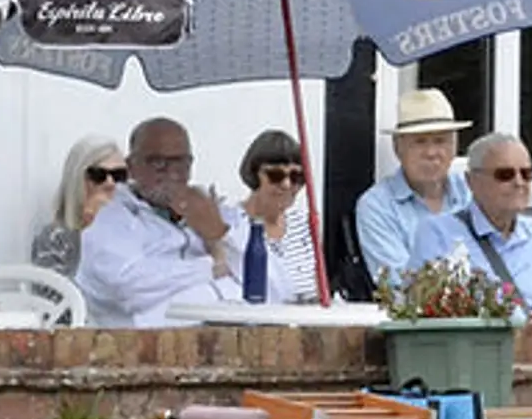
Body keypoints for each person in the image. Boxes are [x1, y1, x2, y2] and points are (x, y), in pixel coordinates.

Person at [76, 117, 254, 327]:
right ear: (132, 166)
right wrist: (212, 266)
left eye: (181, 163)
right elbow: (131, 288)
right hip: (137, 344)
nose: (171, 173)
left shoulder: (207, 208)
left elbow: (270, 283)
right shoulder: (111, 217)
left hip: (221, 332)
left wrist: (219, 234)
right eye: (158, 163)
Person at [407, 133, 532, 324]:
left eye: (527, 174)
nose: (519, 182)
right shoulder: (436, 233)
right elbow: (420, 311)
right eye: (505, 175)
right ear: (472, 181)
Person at [353, 89, 474, 285]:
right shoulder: (377, 205)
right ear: (397, 147)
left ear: (454, 146)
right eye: (419, 142)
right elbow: (399, 283)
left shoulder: (472, 191)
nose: (431, 152)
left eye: (440, 141)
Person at [237, 129, 318, 304]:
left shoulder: (305, 224)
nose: (287, 185)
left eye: (296, 176)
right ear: (253, 173)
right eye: (276, 176)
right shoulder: (232, 225)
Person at [31, 135, 126, 278]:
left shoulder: (138, 231)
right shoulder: (56, 237)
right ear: (77, 179)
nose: (110, 183)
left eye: (119, 175)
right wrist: (90, 233)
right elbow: (53, 294)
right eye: (98, 175)